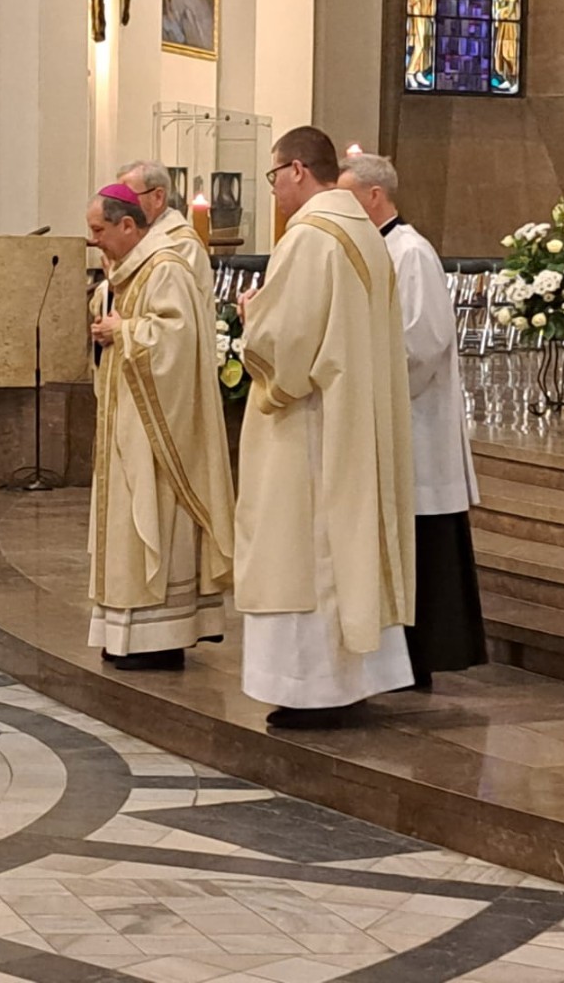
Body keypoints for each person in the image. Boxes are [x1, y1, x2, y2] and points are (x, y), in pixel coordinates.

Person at [234, 127, 416, 729]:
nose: (273, 190)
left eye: (273, 176)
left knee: (305, 552)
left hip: (310, 427)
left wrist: (251, 317)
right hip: (354, 419)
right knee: (344, 550)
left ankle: (311, 689)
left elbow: (288, 346)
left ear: (296, 170)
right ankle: (352, 680)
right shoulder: (364, 233)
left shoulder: (310, 236)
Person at [339, 152, 485, 689]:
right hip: (383, 422)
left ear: (375, 196)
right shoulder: (370, 251)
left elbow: (422, 343)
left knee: (423, 546)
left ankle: (420, 658)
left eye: (347, 196)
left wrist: (365, 383)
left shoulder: (411, 252)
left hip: (415, 425)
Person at [85, 184, 235, 671]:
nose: (94, 240)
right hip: (124, 419)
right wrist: (106, 321)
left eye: (99, 230)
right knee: (124, 525)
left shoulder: (166, 266)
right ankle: (125, 632)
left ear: (128, 225)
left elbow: (178, 340)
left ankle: (160, 636)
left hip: (157, 428)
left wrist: (124, 330)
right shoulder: (127, 270)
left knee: (152, 517)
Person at [117, 159, 213, 297]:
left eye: (128, 196)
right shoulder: (134, 236)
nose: (120, 206)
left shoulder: (182, 244)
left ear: (158, 197)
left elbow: (173, 301)